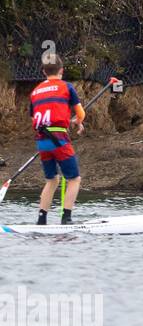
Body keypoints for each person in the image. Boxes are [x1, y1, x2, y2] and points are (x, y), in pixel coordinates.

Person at [29, 54, 85, 225]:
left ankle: (42, 219)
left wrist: (65, 122)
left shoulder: (35, 91)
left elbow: (37, 119)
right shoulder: (67, 87)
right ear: (61, 70)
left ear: (44, 71)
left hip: (42, 140)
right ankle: (66, 219)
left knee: (52, 179)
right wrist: (77, 122)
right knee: (74, 179)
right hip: (59, 139)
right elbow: (81, 114)